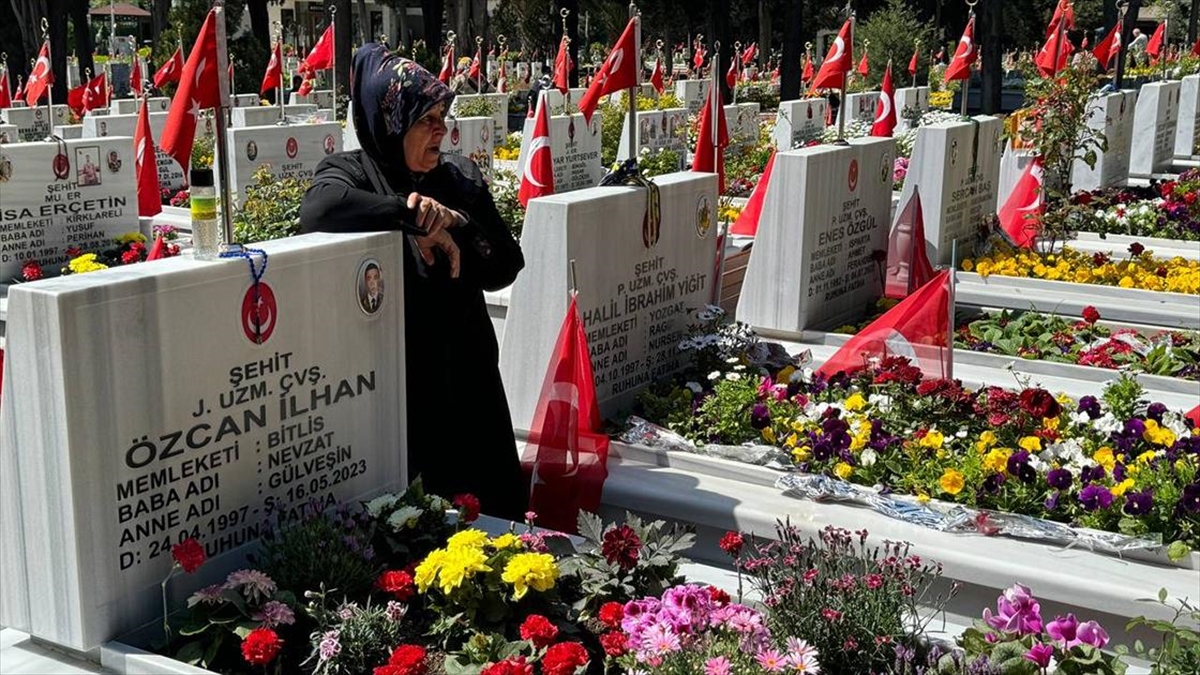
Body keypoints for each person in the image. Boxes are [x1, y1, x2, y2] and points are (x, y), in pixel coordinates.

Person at [299, 43, 527, 520]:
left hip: (470, 380)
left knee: (495, 518)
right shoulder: (353, 172)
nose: (441, 131)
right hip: (408, 388)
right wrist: (411, 213)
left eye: (443, 116)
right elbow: (317, 210)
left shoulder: (457, 177)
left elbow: (506, 265)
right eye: (426, 119)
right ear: (391, 121)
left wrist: (458, 222)